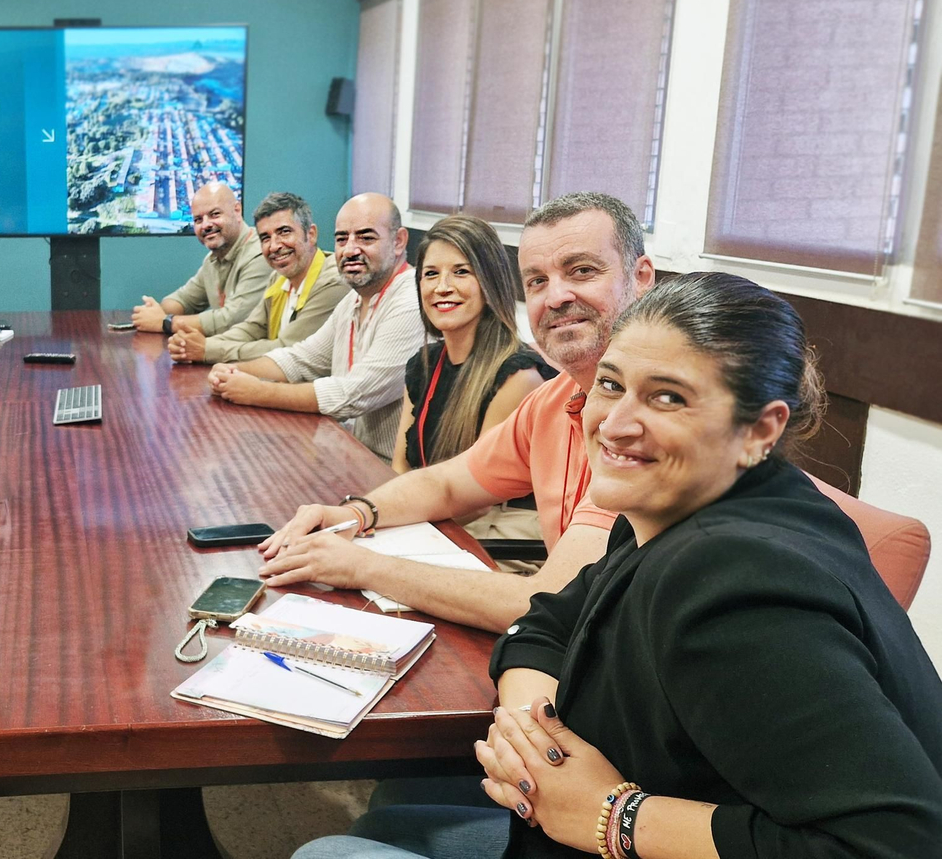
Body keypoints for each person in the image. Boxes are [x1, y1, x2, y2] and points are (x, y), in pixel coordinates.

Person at [293, 273, 942, 859]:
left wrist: (615, 816)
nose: (615, 422)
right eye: (611, 385)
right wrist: (535, 741)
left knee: (326, 852)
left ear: (759, 430)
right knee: (387, 817)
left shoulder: (735, 586)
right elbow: (546, 620)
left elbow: (896, 842)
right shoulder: (680, 506)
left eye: (667, 398)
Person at [260, 192, 655, 634]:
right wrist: (354, 514)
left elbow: (553, 602)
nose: (557, 296)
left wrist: (362, 567)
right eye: (538, 281)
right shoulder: (554, 398)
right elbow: (447, 482)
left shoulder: (647, 421)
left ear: (641, 278)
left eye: (581, 271)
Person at [205, 192, 425, 462]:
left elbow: (352, 394)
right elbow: (301, 358)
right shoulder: (354, 299)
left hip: (389, 470)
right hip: (346, 451)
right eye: (342, 239)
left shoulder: (411, 300)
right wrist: (234, 371)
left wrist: (256, 391)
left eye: (366, 238)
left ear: (399, 241)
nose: (350, 250)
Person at [390, 215, 553, 545]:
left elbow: (477, 500)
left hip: (489, 541)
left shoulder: (518, 375)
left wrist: (395, 528)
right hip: (428, 526)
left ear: (489, 282)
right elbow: (400, 467)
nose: (442, 287)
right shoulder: (423, 365)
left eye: (461, 272)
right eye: (430, 274)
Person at [167, 191, 348, 364]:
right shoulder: (279, 277)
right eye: (265, 238)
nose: (275, 246)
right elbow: (253, 328)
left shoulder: (333, 282)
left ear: (311, 234)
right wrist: (196, 345)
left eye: (284, 232)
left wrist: (208, 350)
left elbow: (288, 349)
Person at [131, 181, 268, 337]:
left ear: (237, 211)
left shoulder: (261, 254)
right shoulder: (213, 259)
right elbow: (184, 300)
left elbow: (232, 321)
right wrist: (154, 311)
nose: (206, 225)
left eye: (214, 214)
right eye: (198, 220)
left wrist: (165, 322)